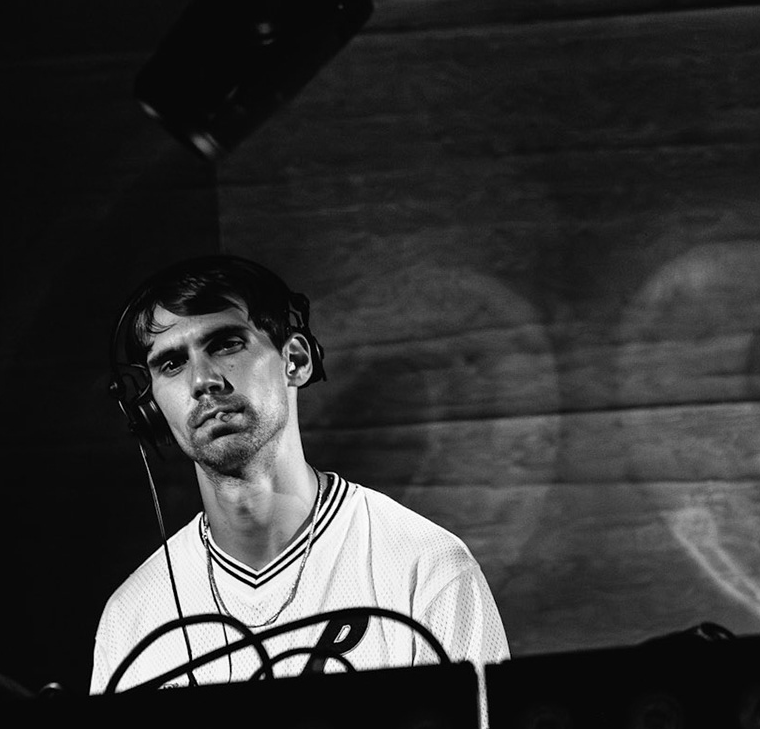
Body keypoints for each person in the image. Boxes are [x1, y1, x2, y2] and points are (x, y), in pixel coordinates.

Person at [91, 255, 509, 695]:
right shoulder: (131, 619)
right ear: (151, 408)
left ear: (294, 360)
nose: (203, 380)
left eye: (226, 344)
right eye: (172, 364)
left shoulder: (426, 568)